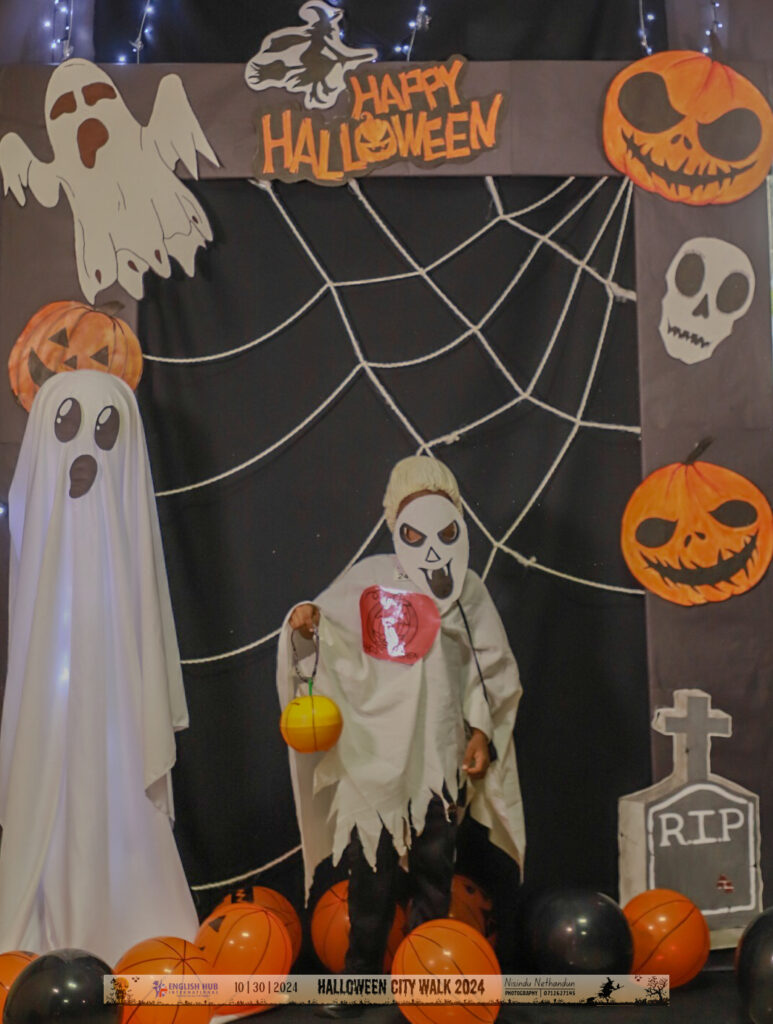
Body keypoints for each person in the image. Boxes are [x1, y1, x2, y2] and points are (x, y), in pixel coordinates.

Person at [276, 455, 524, 1010]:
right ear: (395, 522)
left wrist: (480, 732)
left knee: (436, 872)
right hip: (375, 754)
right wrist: (307, 620)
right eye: (414, 525)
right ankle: (360, 980)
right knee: (371, 874)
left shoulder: (466, 591)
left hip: (437, 756)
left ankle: (427, 980)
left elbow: (486, 668)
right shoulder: (367, 580)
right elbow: (326, 629)